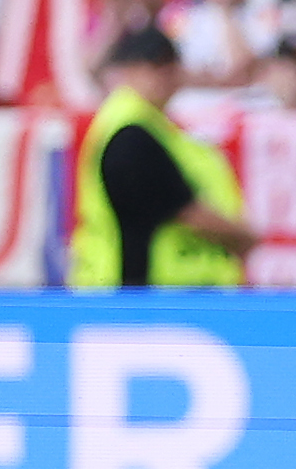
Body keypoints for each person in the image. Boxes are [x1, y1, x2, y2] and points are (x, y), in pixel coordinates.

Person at [69, 27, 254, 288]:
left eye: (170, 63)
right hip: (138, 294)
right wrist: (245, 236)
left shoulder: (153, 126)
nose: (164, 74)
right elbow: (185, 210)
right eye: (153, 64)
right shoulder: (131, 133)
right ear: (127, 70)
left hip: (161, 293)